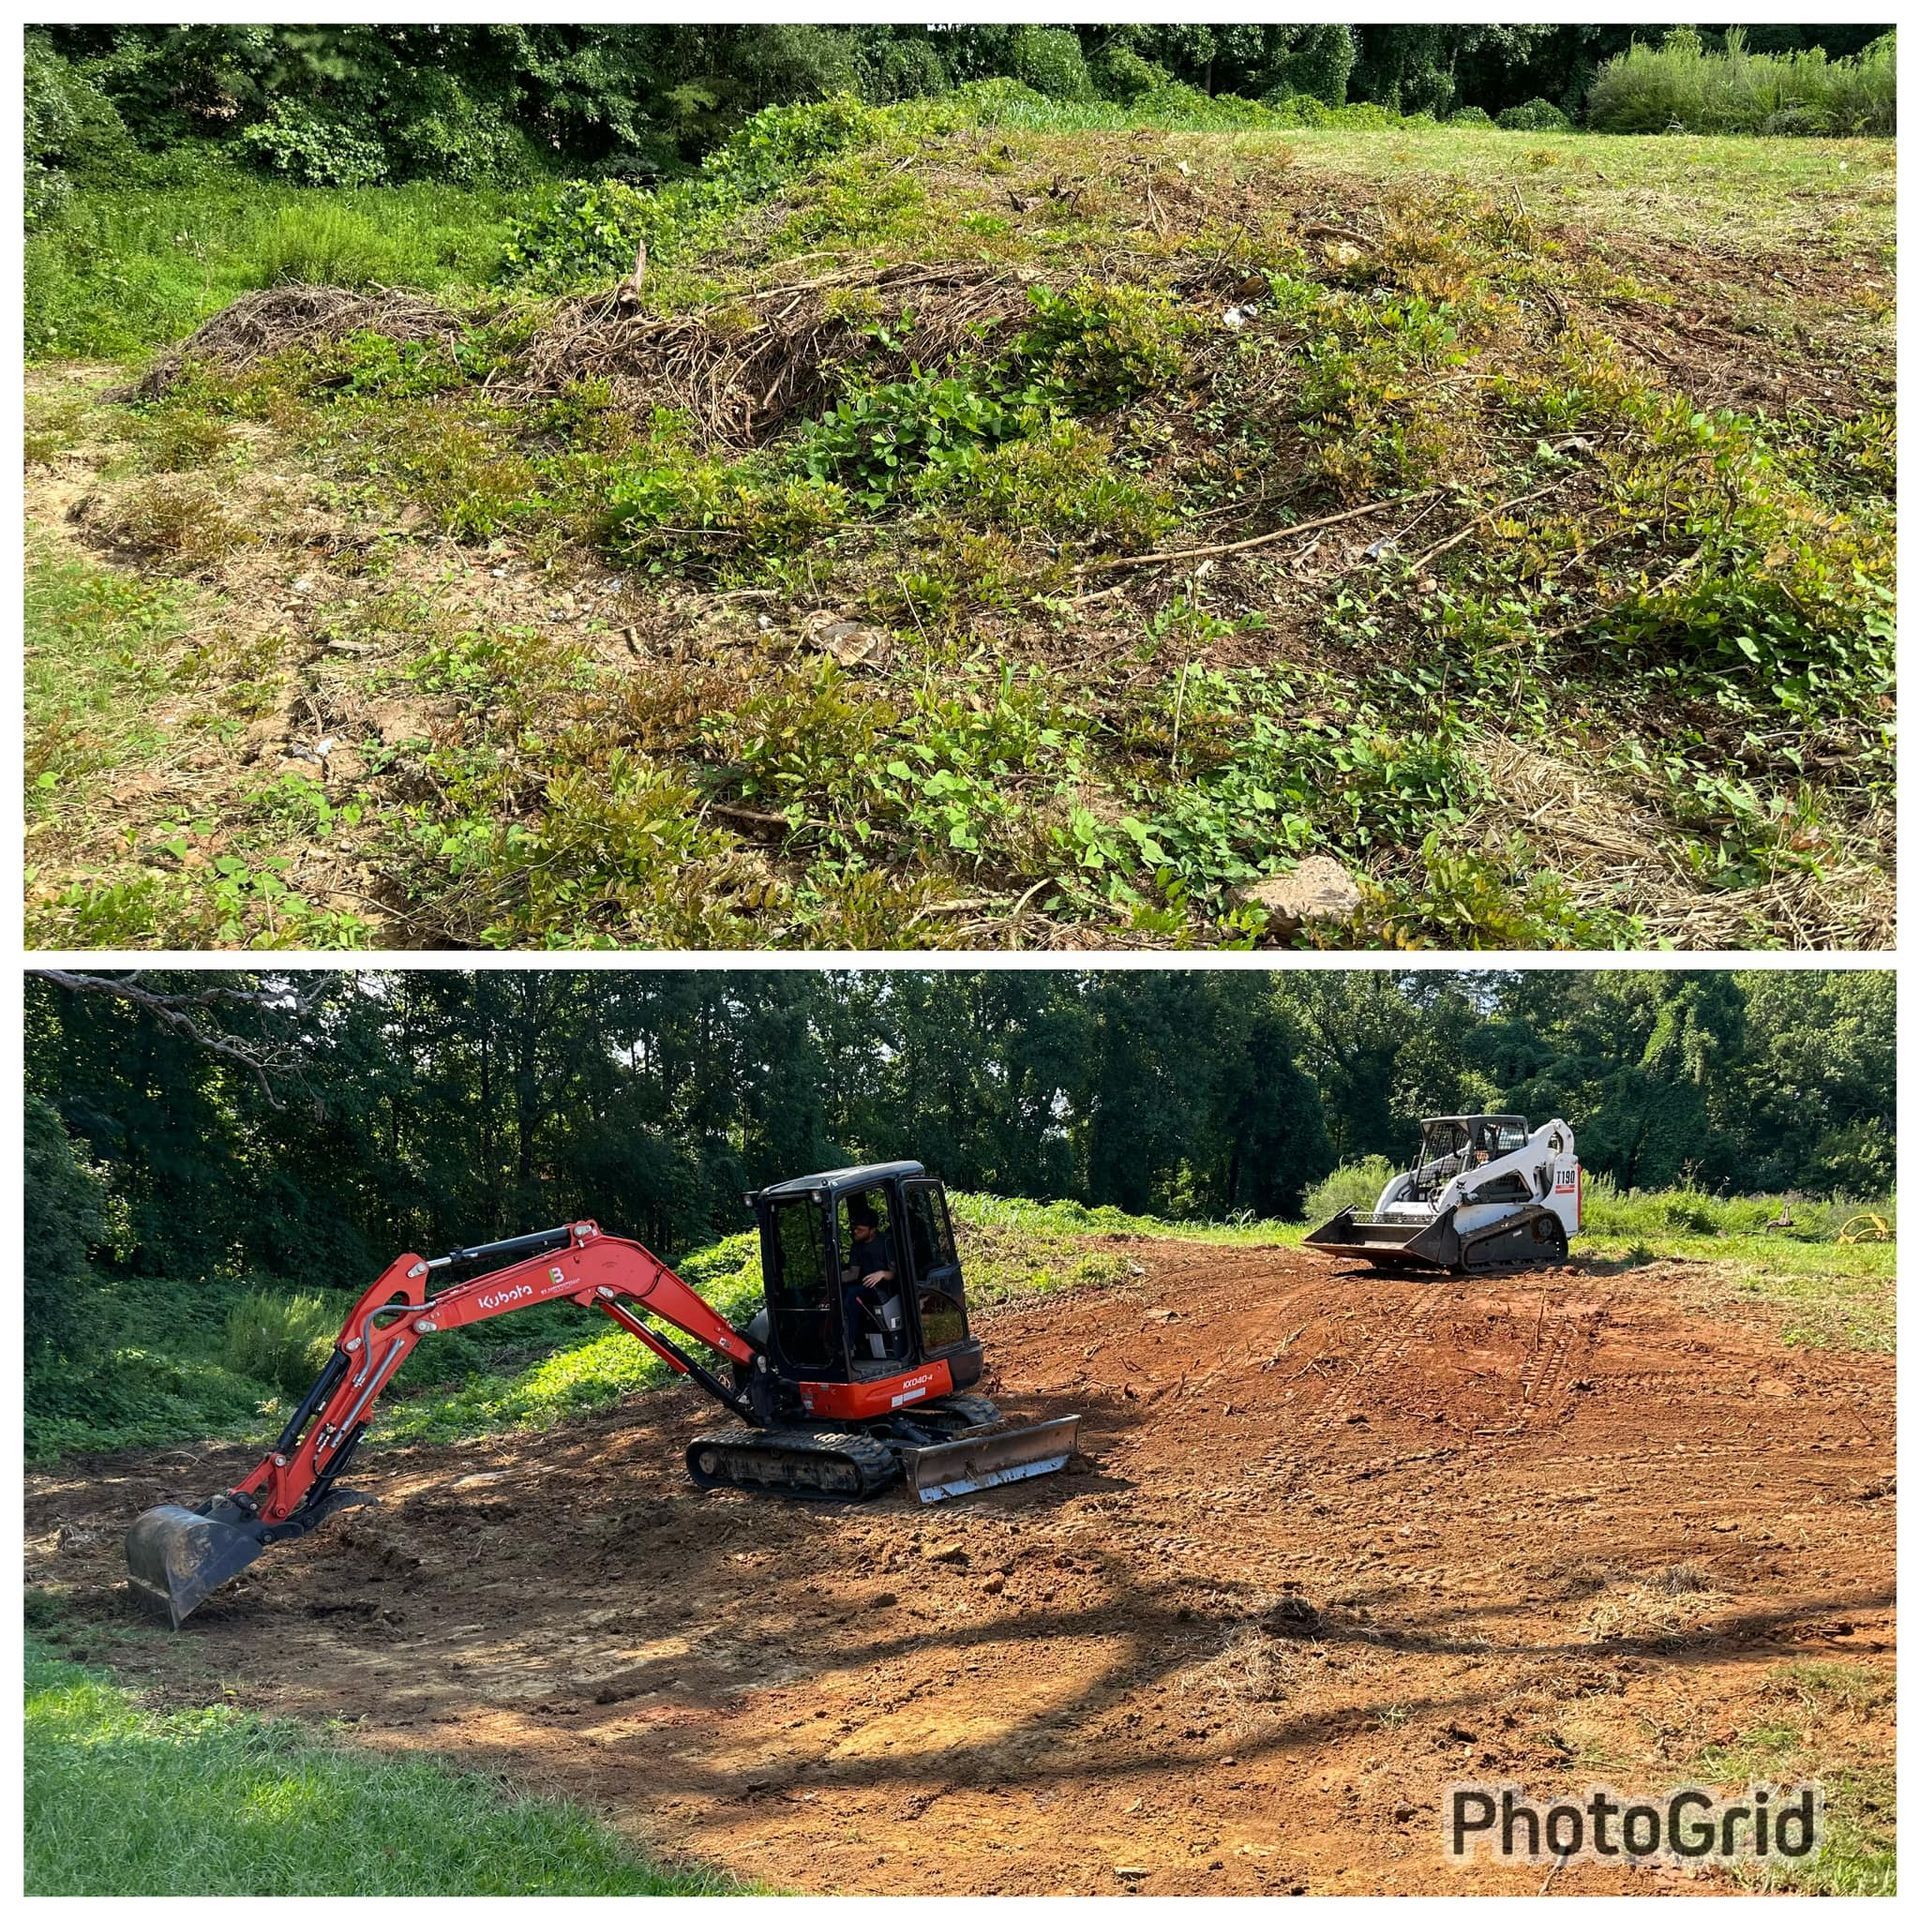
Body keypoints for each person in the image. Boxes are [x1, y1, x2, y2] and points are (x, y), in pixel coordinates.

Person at [844, 1200, 899, 1360]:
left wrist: (882, 1274)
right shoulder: (857, 1246)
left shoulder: (886, 1243)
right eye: (855, 1229)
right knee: (844, 1294)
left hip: (885, 1289)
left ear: (872, 1230)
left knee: (853, 1296)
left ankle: (849, 1345)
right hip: (866, 1287)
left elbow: (897, 1274)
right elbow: (853, 1273)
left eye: (860, 1230)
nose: (856, 1232)